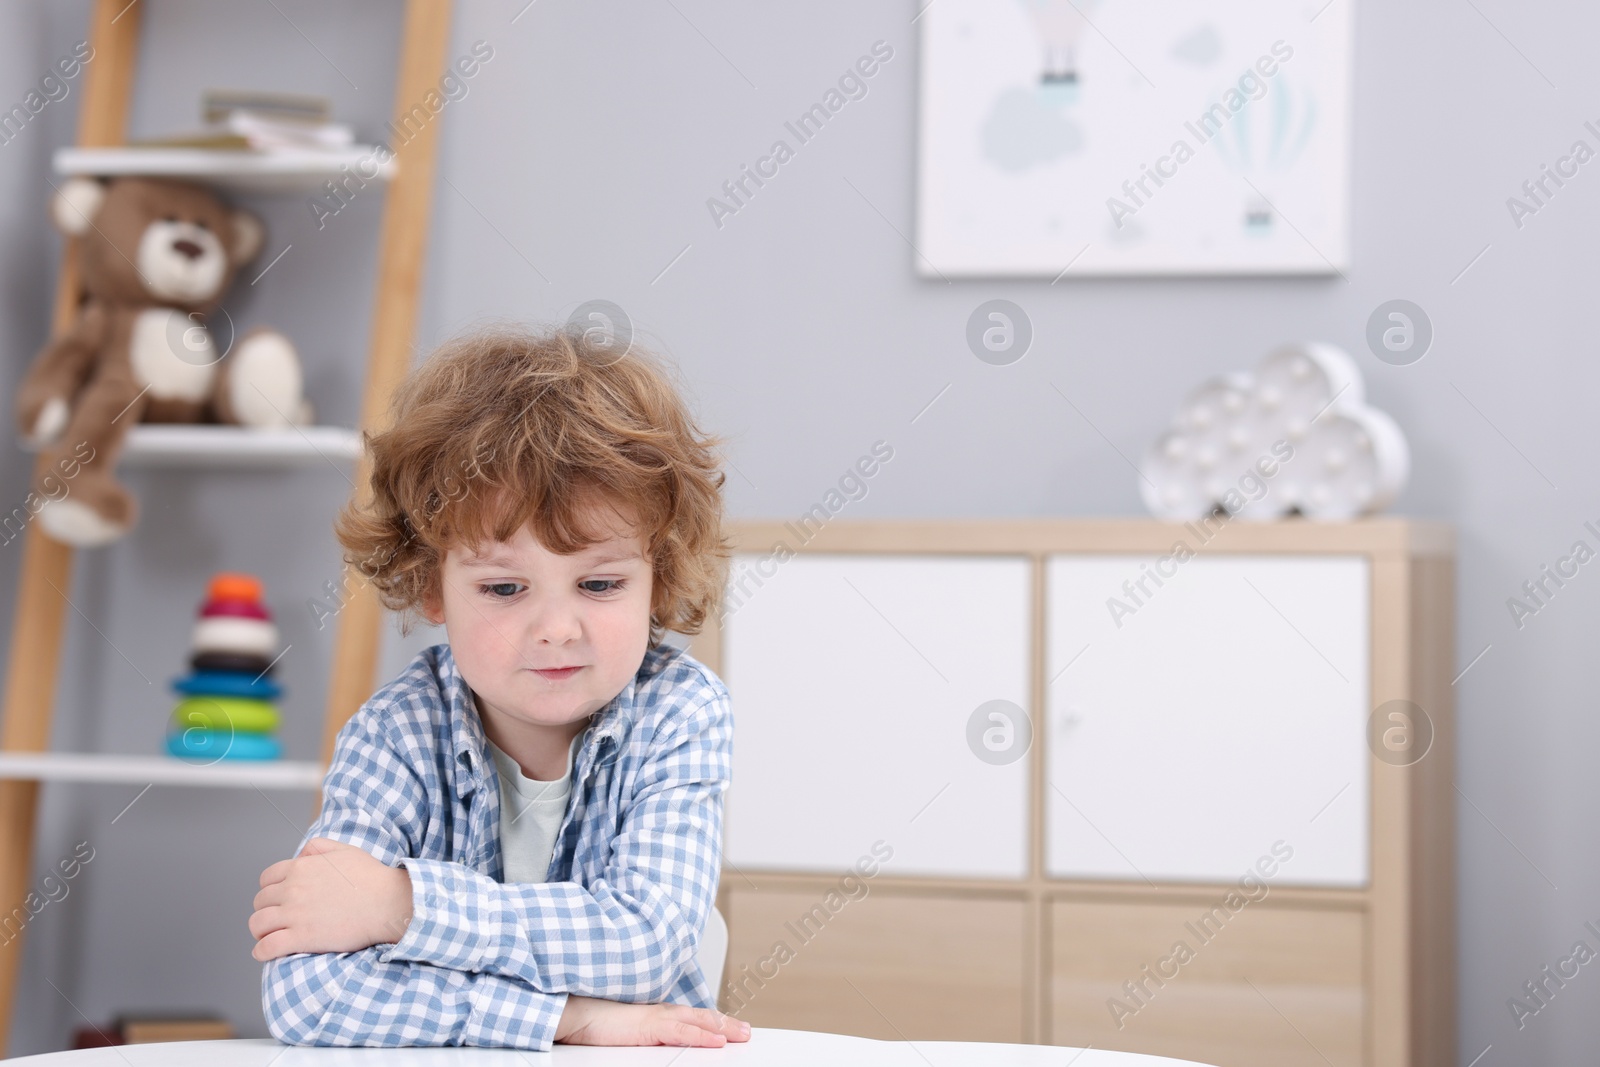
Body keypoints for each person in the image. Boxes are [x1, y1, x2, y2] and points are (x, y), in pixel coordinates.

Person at [248, 323, 747, 1050]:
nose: (556, 628)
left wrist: (402, 906)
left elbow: (647, 942)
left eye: (600, 583)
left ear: (658, 580)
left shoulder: (678, 713)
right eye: (506, 587)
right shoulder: (394, 736)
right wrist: (567, 1018)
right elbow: (305, 997)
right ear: (432, 587)